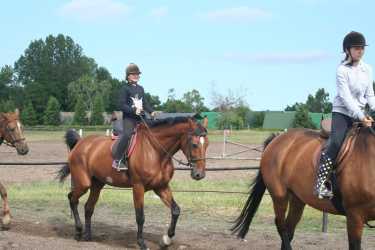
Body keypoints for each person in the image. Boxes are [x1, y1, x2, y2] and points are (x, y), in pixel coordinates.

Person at [314, 31, 375, 199]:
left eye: (362, 48)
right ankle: (320, 184)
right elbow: (346, 97)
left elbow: (370, 94)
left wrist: (373, 109)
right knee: (335, 142)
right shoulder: (341, 70)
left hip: (362, 112)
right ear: (347, 50)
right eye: (356, 48)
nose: (360, 51)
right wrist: (360, 116)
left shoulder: (367, 69)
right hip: (343, 113)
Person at [112, 63, 156, 171]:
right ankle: (117, 160)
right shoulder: (124, 89)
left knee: (154, 131)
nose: (136, 76)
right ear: (128, 76)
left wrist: (151, 111)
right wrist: (133, 110)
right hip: (129, 119)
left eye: (137, 74)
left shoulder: (141, 89)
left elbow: (145, 103)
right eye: (133, 74)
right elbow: (121, 105)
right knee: (127, 135)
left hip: (141, 118)